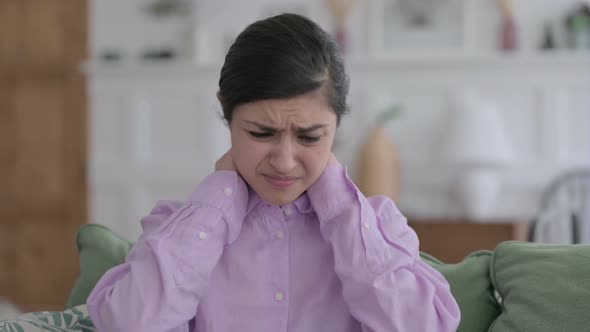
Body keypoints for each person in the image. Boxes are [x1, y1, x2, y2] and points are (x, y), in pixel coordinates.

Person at [87, 13, 460, 332]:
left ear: (337, 124)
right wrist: (216, 200)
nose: (284, 160)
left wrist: (339, 203)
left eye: (310, 137)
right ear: (227, 115)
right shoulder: (178, 229)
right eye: (260, 133)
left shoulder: (377, 227)